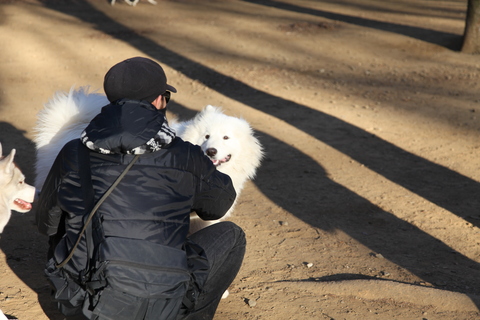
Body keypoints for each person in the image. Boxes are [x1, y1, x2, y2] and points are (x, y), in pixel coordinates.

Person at [35, 57, 246, 320]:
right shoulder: (186, 155)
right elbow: (217, 208)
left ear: (111, 102)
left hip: (87, 304)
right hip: (163, 306)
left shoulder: (72, 152)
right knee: (232, 236)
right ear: (159, 101)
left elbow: (46, 223)